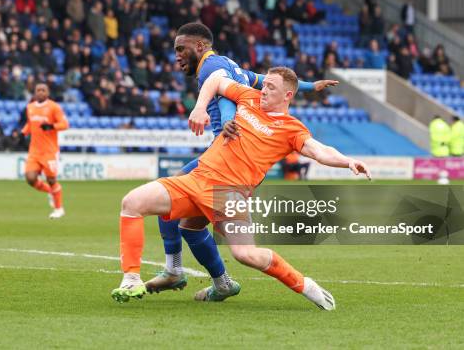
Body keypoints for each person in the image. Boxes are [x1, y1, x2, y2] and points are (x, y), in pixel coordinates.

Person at [111, 66, 371, 309]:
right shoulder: (248, 97)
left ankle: (305, 284)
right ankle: (132, 279)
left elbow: (319, 151)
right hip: (197, 179)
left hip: (229, 194)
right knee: (132, 203)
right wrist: (200, 107)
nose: (264, 90)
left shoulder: (292, 129)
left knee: (245, 254)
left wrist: (348, 161)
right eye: (264, 84)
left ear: (287, 95)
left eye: (271, 87)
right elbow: (216, 79)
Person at [145, 22, 339, 301]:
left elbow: (228, 95)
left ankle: (175, 270)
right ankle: (220, 283)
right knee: (190, 224)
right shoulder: (227, 64)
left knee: (170, 200)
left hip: (227, 155)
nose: (176, 55)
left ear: (200, 46)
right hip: (232, 157)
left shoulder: (210, 69)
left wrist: (226, 122)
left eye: (180, 49)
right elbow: (260, 79)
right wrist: (310, 86)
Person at [22, 83, 69, 219]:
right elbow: (30, 124)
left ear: (48, 93)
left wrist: (51, 126)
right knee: (30, 178)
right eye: (38, 90)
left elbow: (65, 124)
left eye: (43, 90)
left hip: (49, 151)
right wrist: (22, 132)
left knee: (51, 179)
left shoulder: (54, 107)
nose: (41, 92)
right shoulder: (30, 107)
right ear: (35, 92)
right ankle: (51, 192)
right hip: (34, 151)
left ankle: (59, 209)